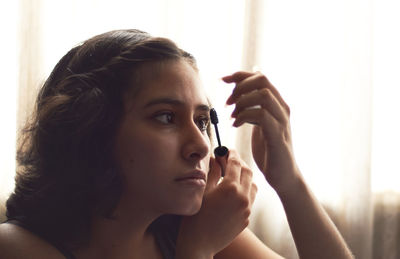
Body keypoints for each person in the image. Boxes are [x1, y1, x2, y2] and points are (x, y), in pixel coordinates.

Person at [0, 29, 354, 259]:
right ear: (92, 128)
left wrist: (288, 180)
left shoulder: (185, 229)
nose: (200, 145)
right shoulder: (18, 247)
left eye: (202, 121)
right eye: (166, 117)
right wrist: (196, 252)